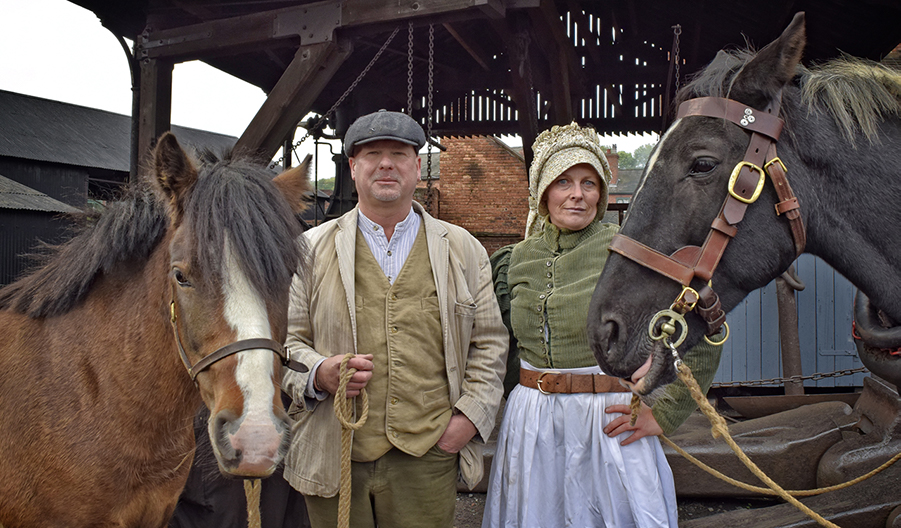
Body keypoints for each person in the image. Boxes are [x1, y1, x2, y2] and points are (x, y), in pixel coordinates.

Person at [482, 122, 723, 528]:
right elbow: (499, 346)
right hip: (531, 422)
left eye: (589, 183)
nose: (577, 194)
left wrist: (663, 415)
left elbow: (702, 332)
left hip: (605, 420)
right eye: (563, 182)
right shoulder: (515, 260)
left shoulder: (627, 253)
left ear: (601, 193)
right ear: (542, 191)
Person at [280, 109, 508, 528]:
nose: (386, 163)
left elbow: (490, 342)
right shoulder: (309, 250)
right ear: (353, 166)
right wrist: (319, 373)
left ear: (418, 167)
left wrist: (468, 419)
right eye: (372, 153)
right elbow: (286, 345)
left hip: (427, 456)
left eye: (399, 153)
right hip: (336, 451)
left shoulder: (464, 250)